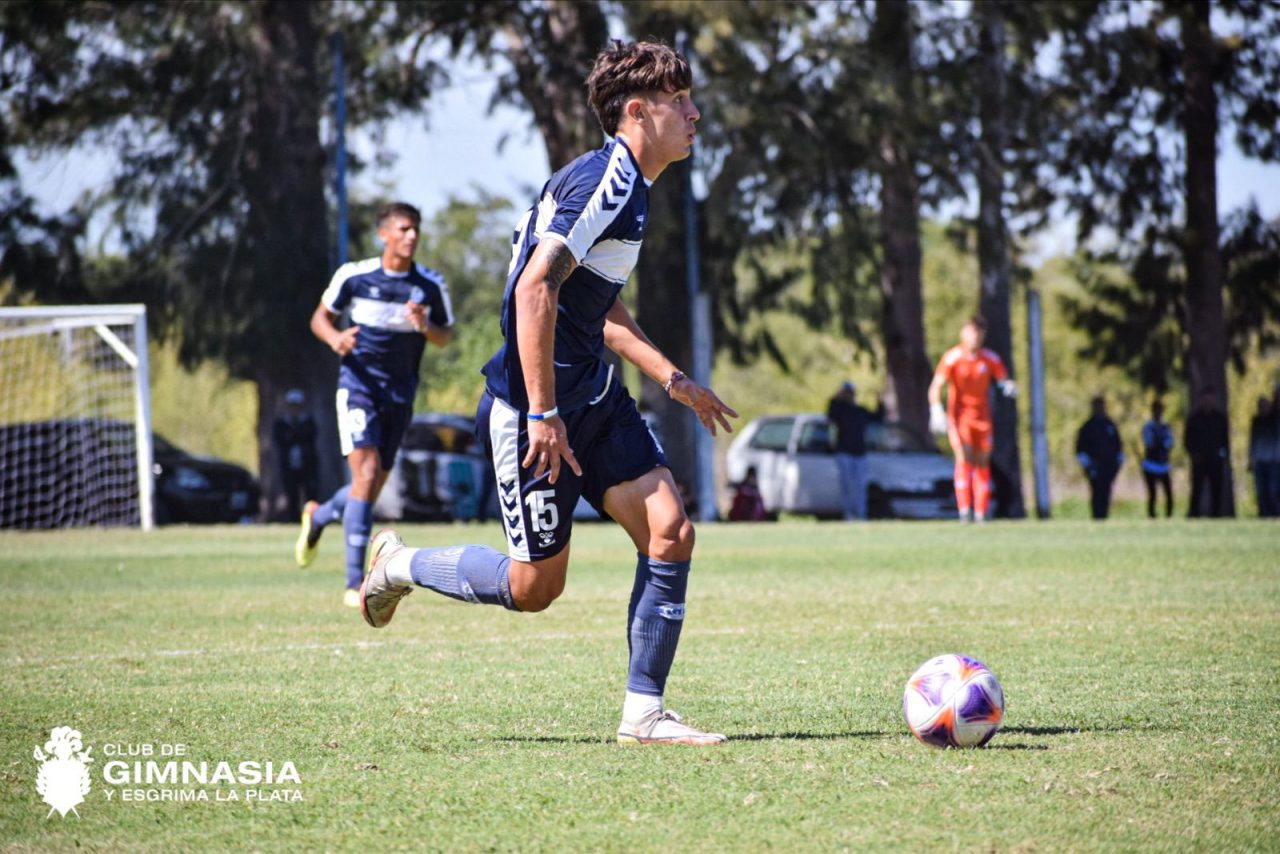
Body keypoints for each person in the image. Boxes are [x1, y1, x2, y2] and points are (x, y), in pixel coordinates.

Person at [355, 41, 739, 746]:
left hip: (593, 397)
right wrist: (541, 412)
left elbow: (595, 304)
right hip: (532, 412)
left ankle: (644, 714)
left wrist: (672, 379)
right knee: (535, 589)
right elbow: (536, 290)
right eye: (679, 101)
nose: (694, 114)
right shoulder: (606, 184)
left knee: (670, 530)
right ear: (636, 112)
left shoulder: (628, 184)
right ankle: (398, 565)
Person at [294, 201, 455, 607]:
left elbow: (445, 337)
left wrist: (424, 325)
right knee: (365, 476)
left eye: (415, 229)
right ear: (383, 234)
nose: (411, 236)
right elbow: (319, 319)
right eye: (403, 229)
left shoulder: (429, 285)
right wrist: (336, 339)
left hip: (399, 396)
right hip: (358, 388)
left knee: (368, 486)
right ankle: (355, 584)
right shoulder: (354, 276)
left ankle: (318, 516)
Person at [928, 315, 1017, 522]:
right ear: (963, 333)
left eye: (978, 332)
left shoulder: (989, 358)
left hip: (983, 418)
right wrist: (936, 409)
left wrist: (1008, 386)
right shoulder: (952, 357)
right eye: (971, 331)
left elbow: (1002, 379)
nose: (974, 337)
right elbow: (935, 386)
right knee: (964, 457)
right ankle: (964, 509)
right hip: (960, 417)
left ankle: (980, 511)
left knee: (982, 461)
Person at [826, 381, 873, 520]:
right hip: (844, 453)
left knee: (860, 486)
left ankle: (861, 514)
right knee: (846, 485)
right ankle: (848, 515)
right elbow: (831, 413)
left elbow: (878, 416)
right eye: (846, 393)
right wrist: (837, 397)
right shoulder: (840, 410)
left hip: (860, 453)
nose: (848, 396)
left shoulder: (861, 411)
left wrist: (879, 400)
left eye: (850, 393)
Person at [272, 389, 319, 522]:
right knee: (291, 492)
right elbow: (281, 439)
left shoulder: (308, 421)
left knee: (310, 492)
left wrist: (293, 435)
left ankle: (312, 519)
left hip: (307, 464)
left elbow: (308, 437)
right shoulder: (281, 423)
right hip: (289, 464)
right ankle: (294, 519)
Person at [1075, 395, 1124, 520]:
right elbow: (1080, 448)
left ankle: (1105, 516)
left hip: (1109, 466)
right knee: (1096, 491)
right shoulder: (1087, 427)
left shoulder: (1110, 425)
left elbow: (1118, 445)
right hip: (1094, 466)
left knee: (1106, 491)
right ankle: (1096, 516)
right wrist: (1088, 465)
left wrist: (1117, 462)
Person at [1185, 390, 1230, 518]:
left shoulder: (1220, 418)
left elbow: (1225, 440)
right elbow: (1188, 439)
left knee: (1216, 488)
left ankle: (1216, 514)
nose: (1208, 402)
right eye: (1206, 399)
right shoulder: (1194, 418)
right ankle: (1194, 514)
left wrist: (1224, 455)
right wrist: (1194, 454)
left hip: (1215, 459)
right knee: (1196, 488)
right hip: (1199, 460)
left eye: (1210, 399)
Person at [1140, 399, 1174, 518]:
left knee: (1168, 493)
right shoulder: (1148, 426)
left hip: (1163, 465)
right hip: (1151, 464)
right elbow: (1149, 443)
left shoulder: (1166, 426)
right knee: (1152, 493)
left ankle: (1169, 515)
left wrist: (1162, 445)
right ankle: (1152, 515)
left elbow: (1169, 443)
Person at [1247, 394, 1279, 517]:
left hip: (1273, 461)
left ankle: (1274, 514)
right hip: (1259, 461)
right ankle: (1263, 514)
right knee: (1261, 491)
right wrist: (1251, 458)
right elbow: (1252, 441)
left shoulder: (1275, 421)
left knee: (1272, 490)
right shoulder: (1256, 422)